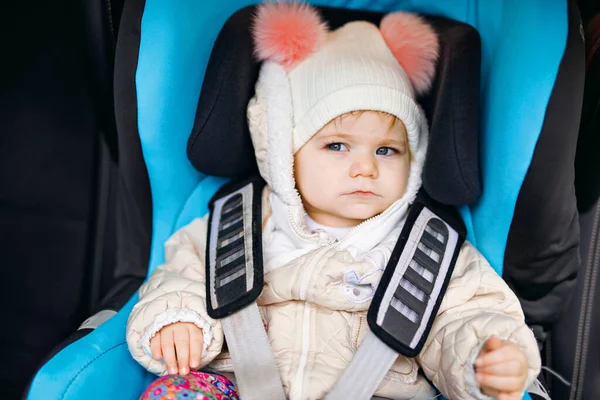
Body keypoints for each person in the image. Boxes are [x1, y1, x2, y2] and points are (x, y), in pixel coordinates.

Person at [126, 3, 541, 399]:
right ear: (286, 152)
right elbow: (179, 274)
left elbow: (464, 316)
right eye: (337, 145)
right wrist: (178, 319)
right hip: (238, 385)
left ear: (415, 160)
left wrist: (485, 358)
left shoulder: (428, 247)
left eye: (386, 151)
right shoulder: (238, 223)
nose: (365, 168)